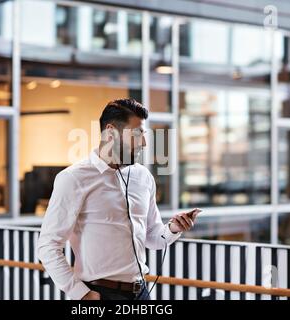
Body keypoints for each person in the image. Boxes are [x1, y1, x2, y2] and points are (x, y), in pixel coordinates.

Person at [37, 98, 200, 300]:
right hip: (98, 295)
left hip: (141, 293)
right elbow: (48, 246)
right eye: (137, 134)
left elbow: (153, 238)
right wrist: (81, 294)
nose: (144, 143)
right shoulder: (73, 179)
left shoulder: (143, 177)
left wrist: (174, 228)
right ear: (111, 131)